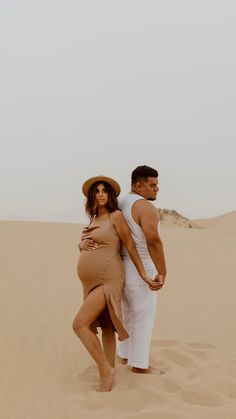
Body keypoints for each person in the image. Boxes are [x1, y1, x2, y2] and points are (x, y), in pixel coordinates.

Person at [72, 175, 158, 392]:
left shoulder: (116, 216)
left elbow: (130, 246)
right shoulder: (92, 220)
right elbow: (89, 243)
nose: (100, 194)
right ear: (92, 196)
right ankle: (109, 369)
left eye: (104, 191)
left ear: (110, 195)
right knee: (107, 325)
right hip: (89, 281)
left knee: (80, 324)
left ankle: (104, 369)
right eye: (97, 191)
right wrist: (80, 244)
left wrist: (144, 275)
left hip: (107, 277)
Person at [117, 165, 167, 373]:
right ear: (138, 185)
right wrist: (163, 271)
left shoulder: (120, 203)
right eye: (152, 185)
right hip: (141, 267)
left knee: (128, 313)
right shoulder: (145, 207)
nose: (157, 189)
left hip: (121, 267)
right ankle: (139, 365)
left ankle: (125, 355)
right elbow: (153, 240)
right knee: (144, 315)